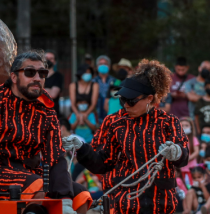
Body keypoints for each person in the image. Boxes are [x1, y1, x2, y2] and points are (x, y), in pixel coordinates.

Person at [0, 50, 91, 213]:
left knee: (81, 196)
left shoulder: (47, 111)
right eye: (30, 72)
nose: (37, 78)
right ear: (14, 77)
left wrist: (66, 200)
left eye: (42, 73)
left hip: (29, 174)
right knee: (38, 187)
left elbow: (55, 157)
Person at [64, 59, 189, 214]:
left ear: (149, 98)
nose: (126, 105)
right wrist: (82, 148)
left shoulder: (169, 122)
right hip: (121, 203)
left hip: (160, 203)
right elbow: (101, 164)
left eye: (131, 100)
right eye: (123, 100)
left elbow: (184, 158)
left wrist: (177, 152)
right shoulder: (113, 122)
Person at [69, 64, 99, 139]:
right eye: (86, 72)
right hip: (76, 113)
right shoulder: (73, 85)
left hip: (90, 113)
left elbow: (93, 103)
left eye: (89, 72)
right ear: (80, 73)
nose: (87, 74)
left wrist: (86, 115)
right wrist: (78, 115)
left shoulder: (95, 85)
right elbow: (72, 104)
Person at [94, 54, 118, 122]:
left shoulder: (115, 81)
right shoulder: (93, 81)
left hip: (112, 114)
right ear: (97, 67)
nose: (103, 65)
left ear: (109, 66)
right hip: (97, 114)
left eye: (105, 64)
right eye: (101, 64)